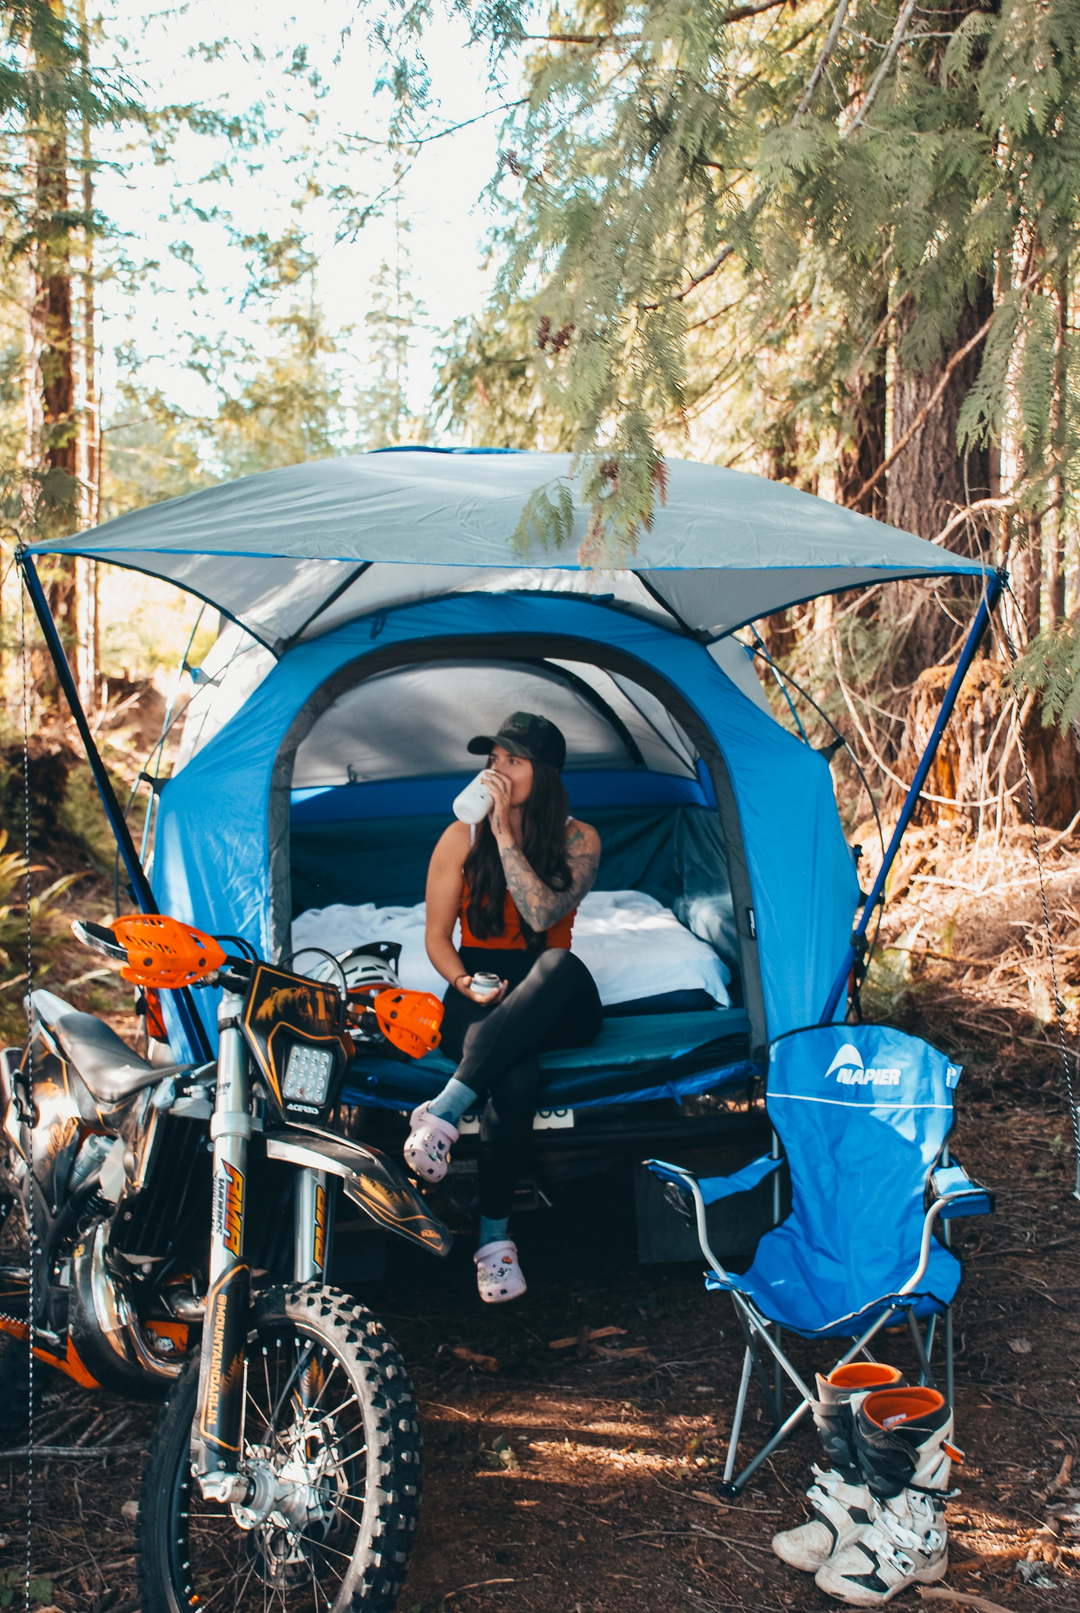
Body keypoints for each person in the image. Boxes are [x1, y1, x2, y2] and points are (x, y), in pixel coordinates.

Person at [405, 711, 602, 1303]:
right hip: (481, 982)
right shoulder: (457, 838)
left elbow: (543, 915)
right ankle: (494, 1247)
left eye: (511, 761)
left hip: (552, 987)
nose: (496, 770)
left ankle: (441, 1115)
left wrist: (507, 836)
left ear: (542, 774)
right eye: (493, 759)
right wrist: (462, 981)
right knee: (516, 1078)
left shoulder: (579, 838)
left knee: (560, 964)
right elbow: (437, 935)